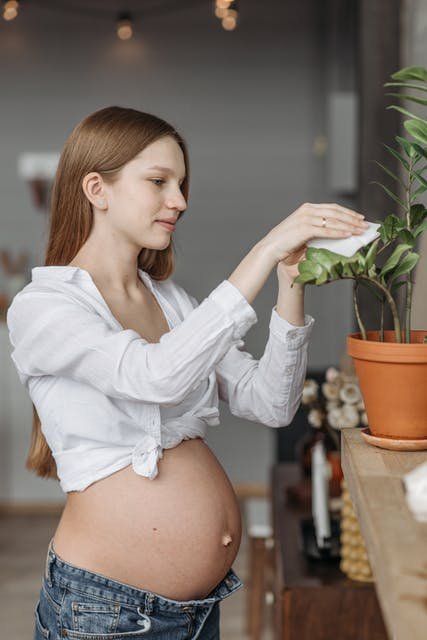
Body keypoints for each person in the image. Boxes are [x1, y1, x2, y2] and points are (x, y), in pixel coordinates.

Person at [7, 106, 368, 640]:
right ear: (96, 189)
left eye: (181, 183)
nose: (179, 200)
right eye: (158, 181)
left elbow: (269, 402)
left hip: (196, 611)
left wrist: (291, 280)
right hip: (107, 611)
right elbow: (155, 376)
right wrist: (264, 250)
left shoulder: (171, 301)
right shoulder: (43, 307)